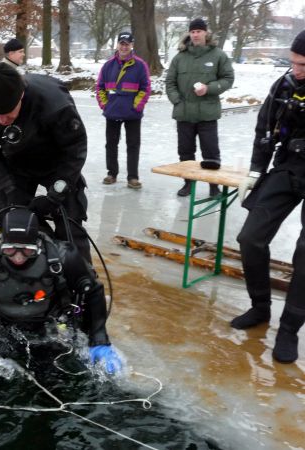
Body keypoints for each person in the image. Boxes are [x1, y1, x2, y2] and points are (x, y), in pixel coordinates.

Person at [0, 208, 122, 374]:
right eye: (10, 250)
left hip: (50, 327)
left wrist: (99, 340)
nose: (18, 257)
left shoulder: (63, 256)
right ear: (1, 242)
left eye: (27, 250)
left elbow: (94, 291)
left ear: (38, 244)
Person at [0, 62, 92, 261]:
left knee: (70, 227)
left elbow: (75, 150)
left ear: (21, 96)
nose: (1, 120)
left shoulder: (55, 104)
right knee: (9, 223)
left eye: (8, 113)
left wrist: (55, 195)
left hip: (58, 162)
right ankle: (7, 272)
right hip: (14, 163)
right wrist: (7, 185)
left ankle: (81, 275)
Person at [230, 30, 305, 364]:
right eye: (293, 62)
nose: (296, 70)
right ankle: (260, 307)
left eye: (303, 65)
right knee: (250, 238)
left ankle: (289, 329)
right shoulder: (285, 85)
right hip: (288, 167)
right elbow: (264, 129)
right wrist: (256, 170)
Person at [165, 18, 234, 198]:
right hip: (184, 113)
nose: (195, 35)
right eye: (193, 31)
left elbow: (228, 78)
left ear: (205, 33)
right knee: (185, 152)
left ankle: (214, 187)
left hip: (207, 113)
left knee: (210, 152)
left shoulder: (218, 55)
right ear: (189, 33)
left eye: (199, 31)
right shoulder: (180, 57)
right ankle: (188, 184)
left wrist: (209, 89)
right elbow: (170, 82)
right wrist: (177, 101)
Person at [96, 31, 151, 189]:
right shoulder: (108, 65)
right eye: (122, 44)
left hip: (132, 114)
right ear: (117, 45)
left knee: (133, 145)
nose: (124, 47)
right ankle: (112, 173)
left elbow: (145, 88)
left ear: (132, 45)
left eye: (127, 44)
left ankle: (132, 177)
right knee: (111, 144)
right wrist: (105, 105)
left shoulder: (140, 65)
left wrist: (136, 106)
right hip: (112, 112)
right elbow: (100, 87)